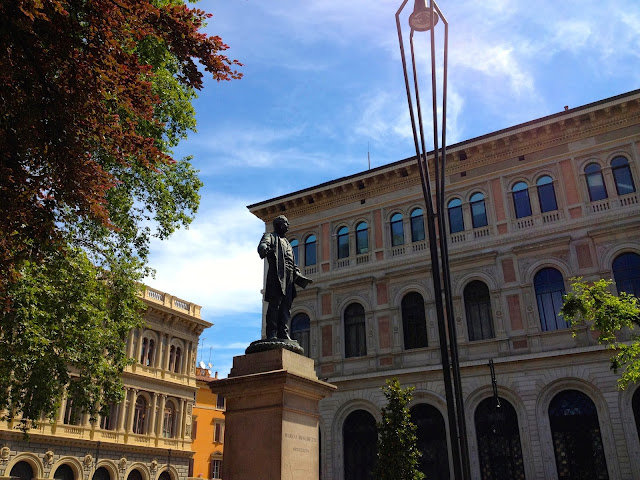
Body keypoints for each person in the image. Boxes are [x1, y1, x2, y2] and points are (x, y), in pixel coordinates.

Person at [258, 215, 312, 340]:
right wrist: (264, 248)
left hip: (289, 277)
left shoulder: (287, 242)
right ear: (280, 224)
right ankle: (271, 333)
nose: (288, 225)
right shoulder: (270, 236)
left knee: (286, 307)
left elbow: (292, 262)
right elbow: (263, 245)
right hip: (277, 275)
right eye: (286, 223)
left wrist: (298, 275)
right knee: (275, 305)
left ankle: (283, 332)